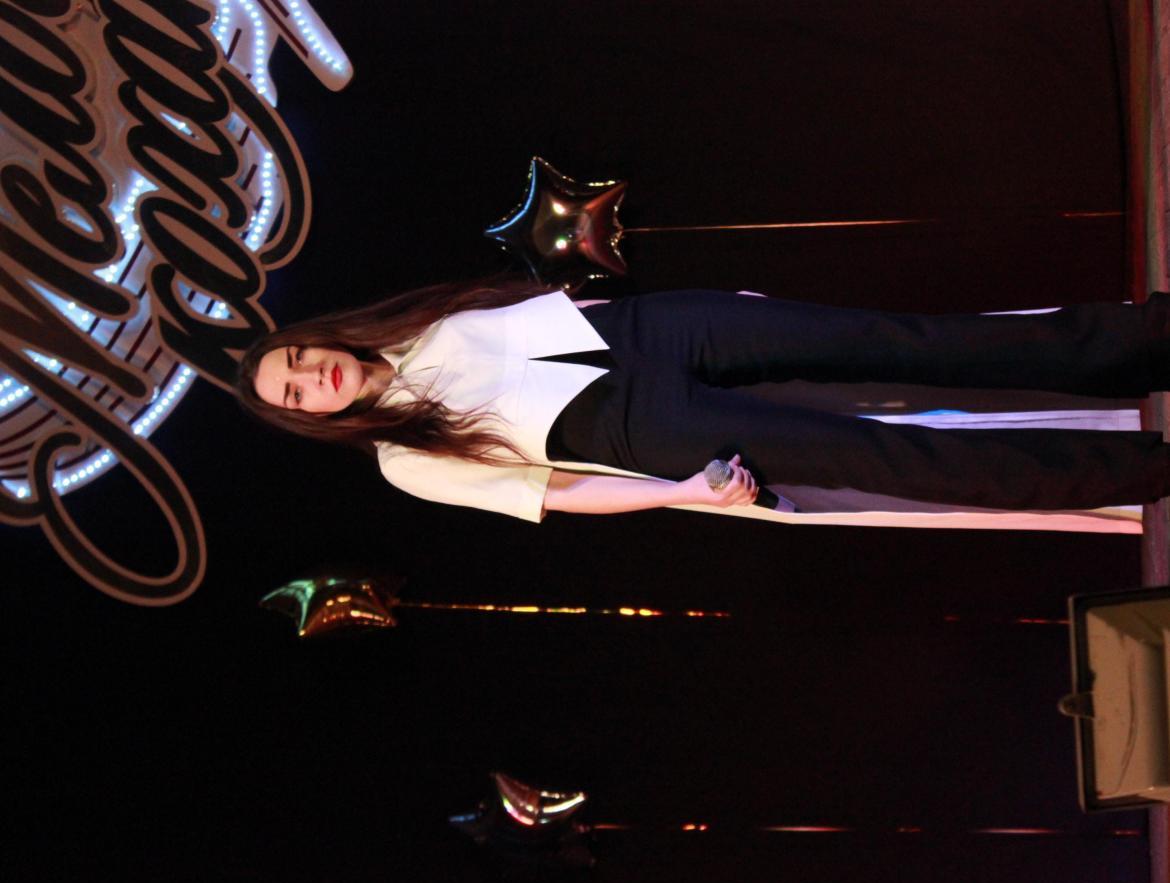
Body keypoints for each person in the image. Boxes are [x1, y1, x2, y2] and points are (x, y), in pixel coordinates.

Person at [236, 280, 1170, 523]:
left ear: (318, 337)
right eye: (296, 392)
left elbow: (549, 310)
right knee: (890, 457)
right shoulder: (406, 461)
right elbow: (556, 492)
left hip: (653, 330)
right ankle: (1143, 469)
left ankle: (1141, 338)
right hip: (646, 428)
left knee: (902, 339)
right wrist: (680, 492)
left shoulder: (408, 323)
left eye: (300, 358)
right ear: (306, 418)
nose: (313, 376)